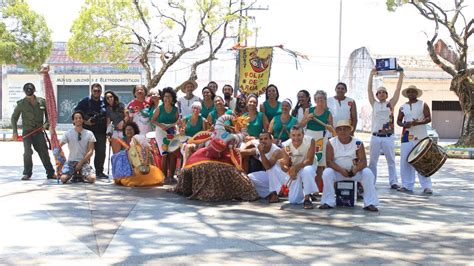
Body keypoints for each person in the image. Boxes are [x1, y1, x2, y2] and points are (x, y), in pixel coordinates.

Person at [175, 115, 258, 201]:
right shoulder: (228, 137)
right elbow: (239, 141)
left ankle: (189, 189)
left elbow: (236, 147)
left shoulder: (223, 134)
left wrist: (231, 118)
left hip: (217, 158)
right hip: (211, 158)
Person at [319, 120, 379, 212]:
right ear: (337, 131)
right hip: (338, 172)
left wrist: (355, 170)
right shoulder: (331, 142)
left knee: (368, 173)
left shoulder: (358, 143)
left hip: (354, 172)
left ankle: (370, 203)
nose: (342, 131)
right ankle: (328, 201)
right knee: (327, 173)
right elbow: (329, 162)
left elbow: (363, 161)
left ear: (350, 130)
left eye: (345, 129)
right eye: (340, 129)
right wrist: (341, 170)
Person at [367, 68, 404, 189]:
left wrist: (401, 74)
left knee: (391, 161)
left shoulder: (391, 104)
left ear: (387, 95)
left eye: (384, 92)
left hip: (388, 137)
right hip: (375, 137)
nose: (381, 94)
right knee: (372, 162)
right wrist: (371, 75)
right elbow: (369, 90)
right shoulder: (374, 103)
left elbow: (398, 89)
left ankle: (393, 182)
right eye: (379, 92)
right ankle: (371, 182)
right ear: (377, 95)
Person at [11, 83, 55, 180]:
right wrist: (15, 132)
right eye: (27, 89)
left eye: (31, 89)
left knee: (44, 152)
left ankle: (50, 173)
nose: (29, 90)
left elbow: (49, 115)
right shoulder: (21, 104)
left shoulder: (42, 101)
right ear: (24, 91)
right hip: (27, 133)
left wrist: (46, 124)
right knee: (27, 152)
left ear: (34, 90)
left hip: (39, 132)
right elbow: (14, 118)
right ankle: (27, 173)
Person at [397, 85, 433, 194]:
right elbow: (398, 121)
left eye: (413, 92)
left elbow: (428, 118)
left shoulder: (423, 104)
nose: (411, 93)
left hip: (421, 137)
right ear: (407, 94)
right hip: (406, 137)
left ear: (417, 93)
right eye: (409, 92)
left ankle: (427, 186)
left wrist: (417, 123)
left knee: (422, 161)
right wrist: (404, 124)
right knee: (405, 161)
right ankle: (407, 185)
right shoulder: (402, 107)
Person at [299, 90, 334, 192]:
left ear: (325, 100)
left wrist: (329, 127)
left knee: (319, 166)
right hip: (309, 138)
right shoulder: (308, 110)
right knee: (308, 163)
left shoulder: (328, 114)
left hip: (321, 139)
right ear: (314, 100)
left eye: (322, 99)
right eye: (318, 99)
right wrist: (307, 119)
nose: (320, 101)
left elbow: (332, 130)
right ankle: (306, 190)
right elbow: (301, 125)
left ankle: (315, 190)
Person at [112, 121, 165, 187]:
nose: (129, 131)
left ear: (134, 130)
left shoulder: (139, 139)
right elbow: (117, 154)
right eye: (127, 130)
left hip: (141, 166)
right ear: (124, 131)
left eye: (130, 129)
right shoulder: (122, 140)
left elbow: (145, 152)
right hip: (128, 167)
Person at [74, 83, 108, 179]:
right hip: (87, 131)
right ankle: (85, 171)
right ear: (91, 91)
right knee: (86, 152)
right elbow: (76, 112)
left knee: (101, 152)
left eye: (98, 91)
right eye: (95, 90)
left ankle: (99, 172)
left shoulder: (104, 101)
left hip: (101, 131)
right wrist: (85, 121)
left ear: (101, 91)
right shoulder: (85, 101)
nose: (96, 92)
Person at [280, 125, 318, 209]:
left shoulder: (310, 140)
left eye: (299, 135)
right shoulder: (286, 145)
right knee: (294, 200)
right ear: (290, 135)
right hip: (295, 169)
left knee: (307, 171)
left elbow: (309, 161)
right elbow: (286, 164)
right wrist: (284, 167)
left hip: (308, 166)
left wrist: (295, 168)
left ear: (303, 134)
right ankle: (306, 194)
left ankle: (307, 199)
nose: (296, 138)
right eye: (293, 135)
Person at [245, 132, 286, 202]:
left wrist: (261, 152)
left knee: (272, 168)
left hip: (283, 178)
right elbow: (244, 152)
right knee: (249, 177)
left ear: (271, 140)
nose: (263, 141)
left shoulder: (276, 151)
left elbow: (268, 166)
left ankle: (274, 194)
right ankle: (269, 193)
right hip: (271, 177)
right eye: (261, 139)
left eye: (266, 139)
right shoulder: (259, 149)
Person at [151, 87, 180, 184]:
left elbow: (177, 121)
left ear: (173, 98)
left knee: (173, 153)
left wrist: (171, 126)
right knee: (164, 153)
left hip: (172, 131)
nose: (167, 98)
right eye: (165, 96)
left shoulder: (175, 109)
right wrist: (161, 125)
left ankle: (171, 176)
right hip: (161, 131)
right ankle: (163, 177)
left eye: (169, 96)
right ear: (163, 98)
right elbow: (153, 120)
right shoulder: (160, 108)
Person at [59, 111, 96, 184]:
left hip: (83, 161)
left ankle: (81, 175)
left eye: (80, 118)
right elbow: (58, 146)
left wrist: (81, 162)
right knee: (63, 179)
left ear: (83, 120)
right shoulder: (68, 133)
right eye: (76, 118)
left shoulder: (89, 133)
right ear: (73, 121)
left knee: (92, 179)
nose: (78, 120)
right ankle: (73, 174)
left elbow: (91, 151)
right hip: (71, 162)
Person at [180, 101, 207, 166]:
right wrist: (182, 133)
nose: (196, 110)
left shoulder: (203, 120)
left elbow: (204, 134)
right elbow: (182, 135)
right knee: (188, 147)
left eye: (198, 108)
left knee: (189, 147)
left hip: (198, 141)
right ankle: (186, 167)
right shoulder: (185, 119)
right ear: (191, 109)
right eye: (194, 108)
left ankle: (184, 168)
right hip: (186, 141)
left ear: (200, 110)